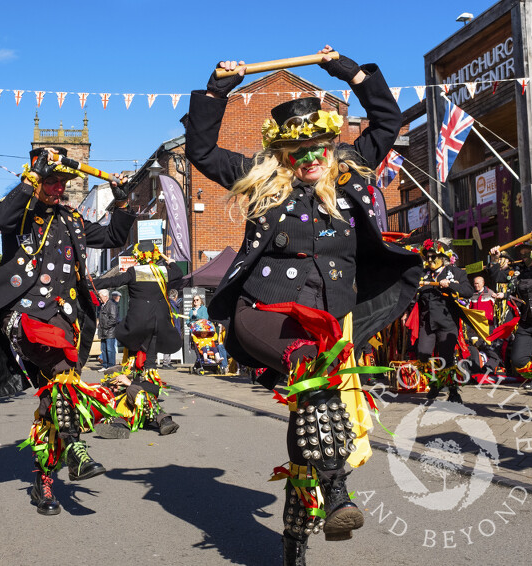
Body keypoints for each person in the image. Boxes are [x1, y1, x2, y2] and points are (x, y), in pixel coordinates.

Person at [184, 47, 421, 564]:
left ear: (330, 145)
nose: (310, 157)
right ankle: (337, 495)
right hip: (264, 312)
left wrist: (349, 71)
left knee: (310, 418)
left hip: (328, 322)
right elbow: (200, 151)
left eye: (318, 147)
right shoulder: (260, 179)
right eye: (298, 150)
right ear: (282, 154)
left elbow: (388, 119)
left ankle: (294, 535)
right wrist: (215, 89)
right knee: (313, 376)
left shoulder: (352, 170)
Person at [0, 147, 135, 515]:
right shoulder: (24, 211)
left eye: (62, 183)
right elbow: (0, 218)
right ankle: (76, 449)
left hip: (65, 318)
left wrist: (122, 206)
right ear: (38, 179)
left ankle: (44, 482)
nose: (58, 189)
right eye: (52, 181)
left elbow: (110, 237)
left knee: (53, 399)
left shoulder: (72, 220)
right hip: (27, 316)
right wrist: (32, 178)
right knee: (60, 373)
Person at [489, 230, 532, 424]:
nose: (522, 255)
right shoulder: (519, 271)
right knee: (519, 362)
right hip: (526, 324)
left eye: (526, 251)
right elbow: (498, 277)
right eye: (520, 253)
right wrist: (495, 260)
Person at [93, 245, 184, 374]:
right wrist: (172, 263)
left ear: (138, 256)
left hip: (138, 318)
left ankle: (134, 374)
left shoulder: (133, 271)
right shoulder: (162, 271)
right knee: (152, 351)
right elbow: (179, 273)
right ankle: (150, 374)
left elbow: (114, 281)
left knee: (132, 344)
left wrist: (91, 283)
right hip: (158, 319)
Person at [407, 240, 473, 403]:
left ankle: (453, 392)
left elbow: (468, 292)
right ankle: (435, 382)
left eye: (433, 257)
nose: (429, 260)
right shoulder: (423, 274)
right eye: (427, 257)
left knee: (446, 358)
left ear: (442, 257)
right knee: (423, 354)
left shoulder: (455, 273)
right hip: (427, 322)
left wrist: (451, 285)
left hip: (447, 322)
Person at [160, 288, 183, 369]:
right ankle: (166, 363)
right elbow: (174, 318)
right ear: (176, 296)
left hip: (168, 327)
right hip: (171, 327)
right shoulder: (172, 305)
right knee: (168, 344)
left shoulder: (168, 303)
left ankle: (167, 362)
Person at [97, 289, 118, 370]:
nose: (99, 299)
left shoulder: (111, 305)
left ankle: (111, 366)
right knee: (103, 349)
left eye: (100, 297)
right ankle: (105, 365)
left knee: (110, 350)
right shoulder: (103, 305)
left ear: (106, 296)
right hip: (103, 331)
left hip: (109, 331)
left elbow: (113, 319)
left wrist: (105, 326)